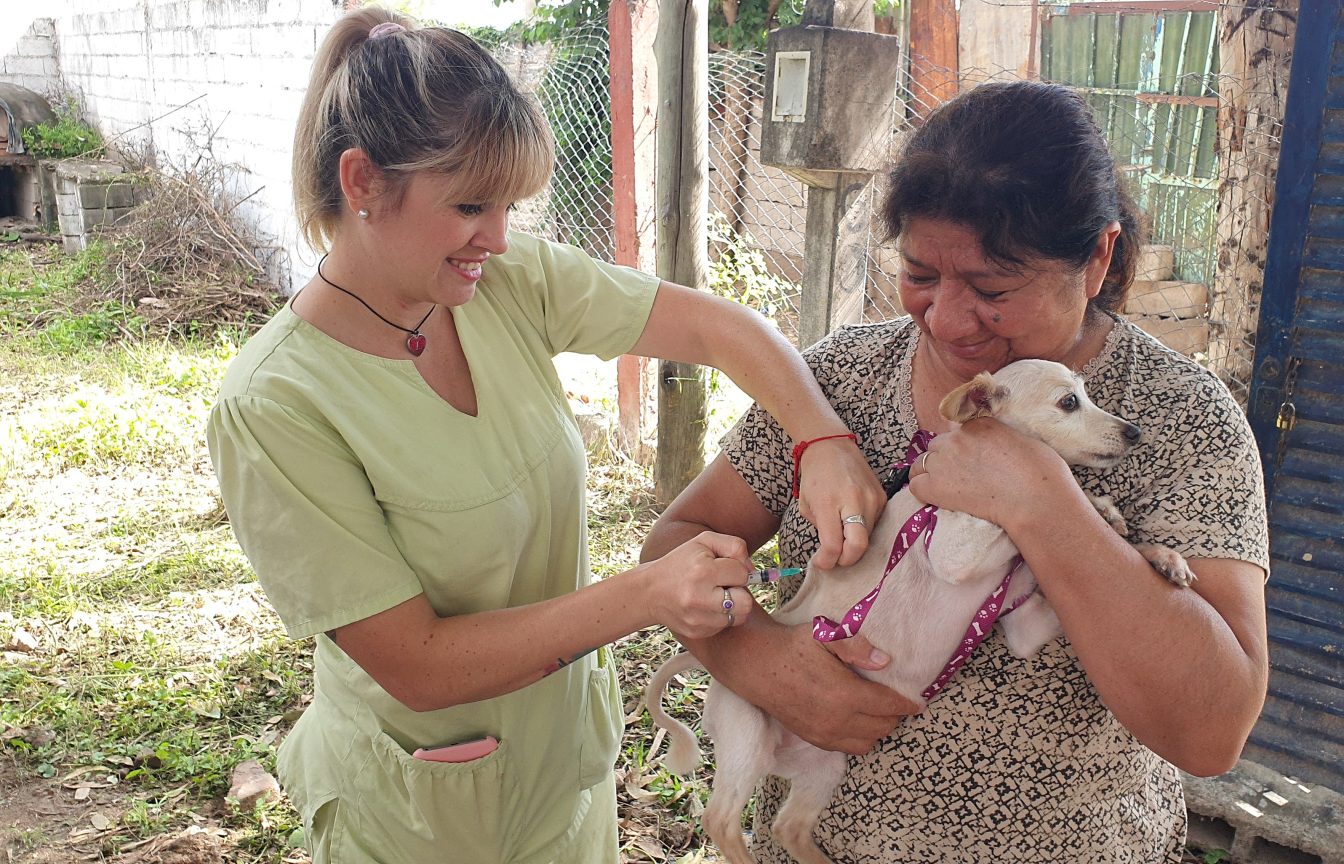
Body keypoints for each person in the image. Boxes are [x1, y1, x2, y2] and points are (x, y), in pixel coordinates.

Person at [204, 8, 890, 863]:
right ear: (362, 182)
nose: (496, 237)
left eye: (508, 207)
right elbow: (416, 664)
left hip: (563, 770)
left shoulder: (500, 282)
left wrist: (817, 439)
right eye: (470, 205)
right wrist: (644, 596)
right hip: (420, 815)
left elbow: (721, 330)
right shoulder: (277, 406)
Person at [642, 79, 1271, 863]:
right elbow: (676, 541)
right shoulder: (837, 382)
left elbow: (1211, 731)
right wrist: (755, 657)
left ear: (1097, 257)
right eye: (920, 275)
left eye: (992, 288)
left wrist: (1043, 503)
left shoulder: (1178, 421)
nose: (945, 319)